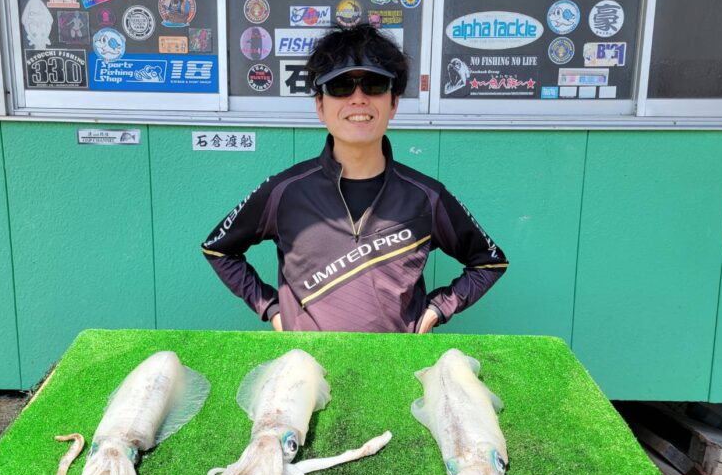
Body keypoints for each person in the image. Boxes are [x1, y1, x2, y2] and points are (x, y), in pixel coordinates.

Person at [202, 23, 508, 333]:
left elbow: (490, 261)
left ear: (394, 103)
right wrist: (271, 309)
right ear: (320, 105)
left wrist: (437, 309)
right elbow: (218, 248)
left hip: (396, 361)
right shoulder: (284, 192)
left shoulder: (427, 196)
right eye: (340, 86)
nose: (358, 98)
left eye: (374, 84)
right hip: (306, 361)